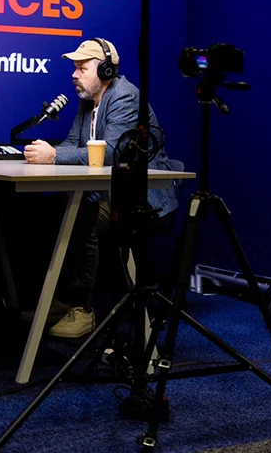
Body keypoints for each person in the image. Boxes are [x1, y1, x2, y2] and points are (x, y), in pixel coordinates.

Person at [23, 38, 178, 338]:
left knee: (85, 216)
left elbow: (109, 154)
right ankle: (62, 300)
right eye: (74, 68)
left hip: (142, 198)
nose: (74, 75)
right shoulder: (87, 101)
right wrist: (44, 153)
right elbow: (73, 143)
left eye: (82, 68)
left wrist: (53, 157)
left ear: (106, 70)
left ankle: (83, 309)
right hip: (108, 192)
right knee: (56, 208)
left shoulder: (125, 97)